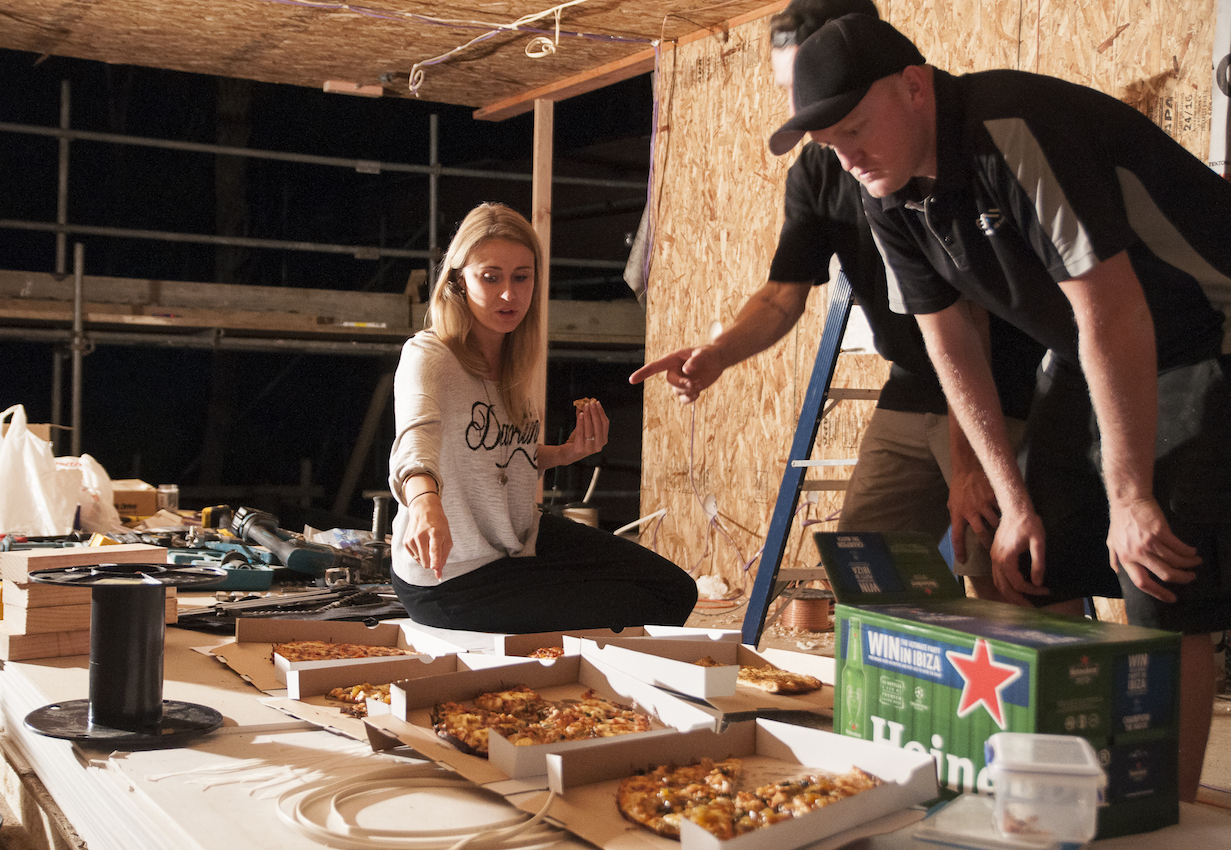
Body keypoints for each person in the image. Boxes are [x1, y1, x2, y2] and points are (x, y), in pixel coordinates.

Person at [773, 13, 1231, 801]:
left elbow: (1113, 310)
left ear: (914, 88)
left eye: (854, 129)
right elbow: (950, 342)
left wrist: (1129, 496)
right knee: (1023, 559)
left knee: (1156, 569)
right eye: (828, 144)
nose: (846, 156)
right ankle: (1063, 785)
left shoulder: (1011, 129)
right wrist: (1012, 501)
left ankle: (1164, 816)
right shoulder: (884, 189)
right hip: (1090, 346)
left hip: (1206, 326)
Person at [629, 0, 1045, 602]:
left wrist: (970, 464)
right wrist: (718, 354)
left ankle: (1012, 661)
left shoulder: (921, 148)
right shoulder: (819, 171)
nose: (800, 109)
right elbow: (782, 295)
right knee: (866, 568)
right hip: (912, 382)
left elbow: (964, 320)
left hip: (996, 386)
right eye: (788, 90)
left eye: (809, 84)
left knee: (996, 576)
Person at [388, 202, 698, 634]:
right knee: (635, 605)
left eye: (521, 277)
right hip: (450, 580)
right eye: (490, 277)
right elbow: (414, 441)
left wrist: (565, 453)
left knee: (674, 590)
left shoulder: (515, 357)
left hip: (517, 544)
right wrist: (424, 503)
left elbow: (497, 454)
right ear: (458, 280)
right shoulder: (429, 354)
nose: (508, 295)